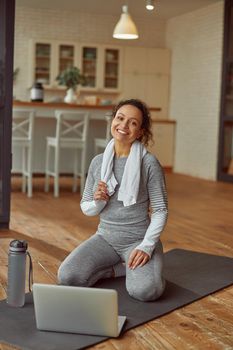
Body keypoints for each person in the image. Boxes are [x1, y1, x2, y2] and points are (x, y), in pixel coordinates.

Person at [58, 99, 168, 302]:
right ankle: (116, 270)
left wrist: (147, 245)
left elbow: (160, 210)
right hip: (105, 238)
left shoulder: (149, 163)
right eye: (120, 118)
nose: (124, 126)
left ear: (141, 131)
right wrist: (99, 201)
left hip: (138, 239)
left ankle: (151, 265)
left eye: (133, 123)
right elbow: (86, 207)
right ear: (113, 121)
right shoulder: (98, 162)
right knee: (68, 277)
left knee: (145, 291)